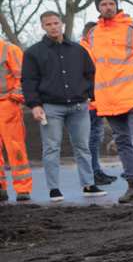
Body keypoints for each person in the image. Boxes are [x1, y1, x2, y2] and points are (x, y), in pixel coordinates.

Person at [82, 0, 133, 204]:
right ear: (98, 8)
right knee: (123, 142)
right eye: (103, 4)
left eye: (111, 3)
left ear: (116, 5)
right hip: (108, 99)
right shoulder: (92, 35)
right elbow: (90, 67)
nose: (107, 7)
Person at [22, 12, 100, 200]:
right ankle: (54, 189)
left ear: (62, 24)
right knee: (51, 148)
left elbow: (90, 73)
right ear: (43, 26)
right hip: (50, 108)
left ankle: (88, 185)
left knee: (83, 147)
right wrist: (34, 105)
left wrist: (89, 95)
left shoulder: (78, 50)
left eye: (56, 23)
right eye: (48, 24)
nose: (53, 27)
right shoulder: (33, 53)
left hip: (79, 107)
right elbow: (28, 81)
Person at [81, 21, 118, 186]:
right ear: (89, 34)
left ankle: (96, 170)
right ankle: (92, 173)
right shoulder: (82, 50)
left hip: (98, 101)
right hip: (89, 102)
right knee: (91, 139)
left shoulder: (93, 49)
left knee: (96, 137)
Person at [1, 36, 35, 202]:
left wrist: (14, 97)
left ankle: (23, 188)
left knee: (15, 147)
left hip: (7, 104)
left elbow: (22, 76)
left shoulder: (9, 49)